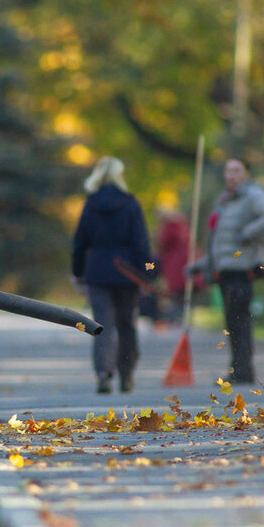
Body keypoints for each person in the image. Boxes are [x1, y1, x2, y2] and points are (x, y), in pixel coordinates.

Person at [186, 158, 264, 384]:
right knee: (233, 322)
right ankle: (240, 369)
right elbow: (222, 243)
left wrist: (248, 233)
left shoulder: (252, 195)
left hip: (242, 269)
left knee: (239, 321)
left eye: (237, 170)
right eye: (228, 170)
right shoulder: (226, 201)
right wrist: (201, 265)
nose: (231, 175)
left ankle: (242, 371)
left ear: (247, 173)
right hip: (226, 270)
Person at [72, 156, 152, 394]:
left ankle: (104, 373)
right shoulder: (130, 204)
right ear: (120, 175)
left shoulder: (90, 204)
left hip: (96, 272)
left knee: (101, 324)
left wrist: (77, 273)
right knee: (127, 324)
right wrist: (148, 273)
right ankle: (126, 375)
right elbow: (142, 245)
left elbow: (79, 243)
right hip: (126, 273)